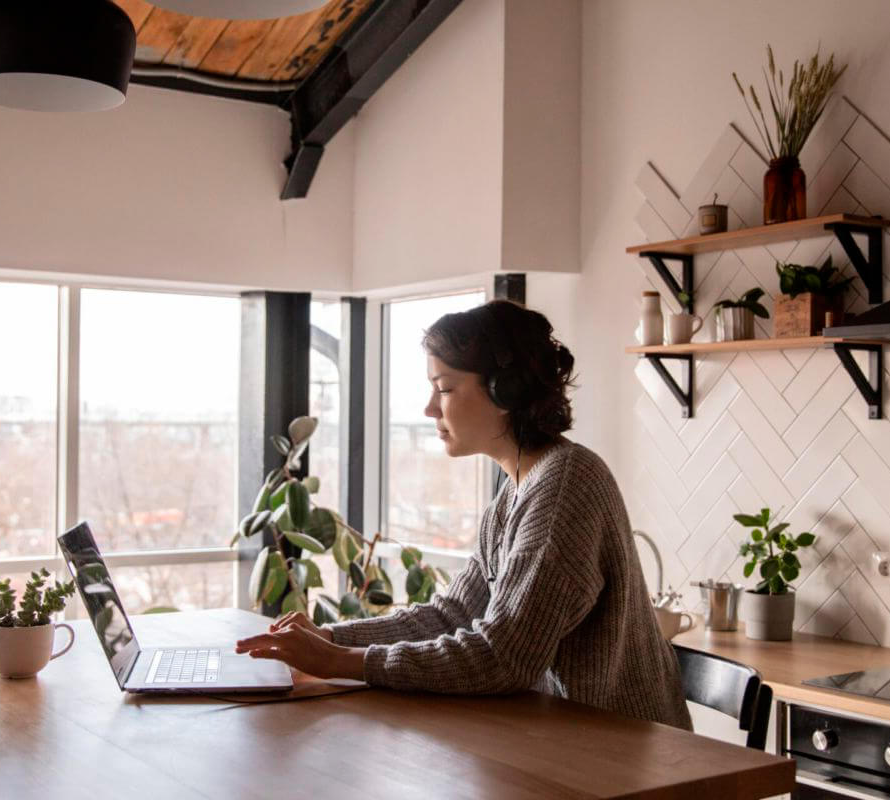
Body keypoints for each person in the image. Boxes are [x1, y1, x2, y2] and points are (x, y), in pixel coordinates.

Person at [235, 299, 688, 728]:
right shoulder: (516, 493)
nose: (430, 408)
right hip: (564, 737)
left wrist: (341, 662)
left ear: (505, 391)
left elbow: (503, 657)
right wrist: (330, 638)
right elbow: (453, 614)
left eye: (444, 388)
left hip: (630, 757)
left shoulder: (565, 486)